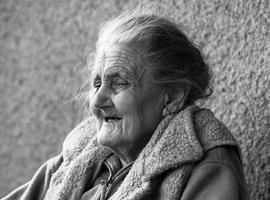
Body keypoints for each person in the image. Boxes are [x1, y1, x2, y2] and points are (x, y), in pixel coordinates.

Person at [2, 9, 249, 200]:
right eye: (97, 84)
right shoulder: (77, 156)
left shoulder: (205, 165)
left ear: (172, 97)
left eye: (119, 83)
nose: (97, 101)